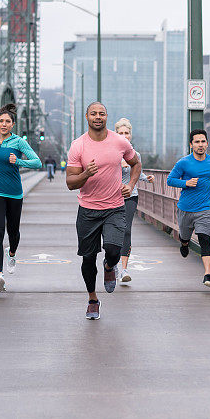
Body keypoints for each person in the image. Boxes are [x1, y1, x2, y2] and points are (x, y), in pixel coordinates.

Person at [66, 102, 141, 320]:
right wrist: (85, 174)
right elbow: (70, 183)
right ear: (86, 117)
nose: (98, 117)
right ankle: (92, 299)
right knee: (88, 258)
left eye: (102, 114)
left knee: (113, 249)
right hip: (88, 210)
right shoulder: (78, 146)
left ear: (107, 117)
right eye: (93, 114)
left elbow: (135, 163)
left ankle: (110, 265)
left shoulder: (119, 141)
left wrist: (132, 185)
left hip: (115, 208)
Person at [0, 103, 42, 291]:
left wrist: (19, 161)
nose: (4, 124)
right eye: (1, 121)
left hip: (14, 192)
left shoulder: (19, 142)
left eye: (7, 121)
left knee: (13, 232)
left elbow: (37, 162)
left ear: (13, 124)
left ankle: (12, 253)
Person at [167, 129, 210, 287]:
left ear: (207, 143)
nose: (200, 145)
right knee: (184, 236)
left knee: (205, 240)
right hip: (185, 209)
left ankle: (207, 275)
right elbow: (170, 180)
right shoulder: (183, 163)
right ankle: (184, 243)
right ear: (191, 145)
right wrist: (186, 183)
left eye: (203, 141)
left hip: (204, 209)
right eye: (197, 142)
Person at [113, 118, 154, 283]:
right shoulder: (110, 152)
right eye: (120, 133)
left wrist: (146, 178)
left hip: (130, 195)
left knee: (126, 230)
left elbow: (138, 173)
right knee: (113, 231)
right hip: (111, 196)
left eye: (126, 133)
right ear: (115, 134)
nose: (124, 136)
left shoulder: (135, 155)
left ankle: (124, 269)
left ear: (130, 135)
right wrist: (118, 165)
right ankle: (112, 263)